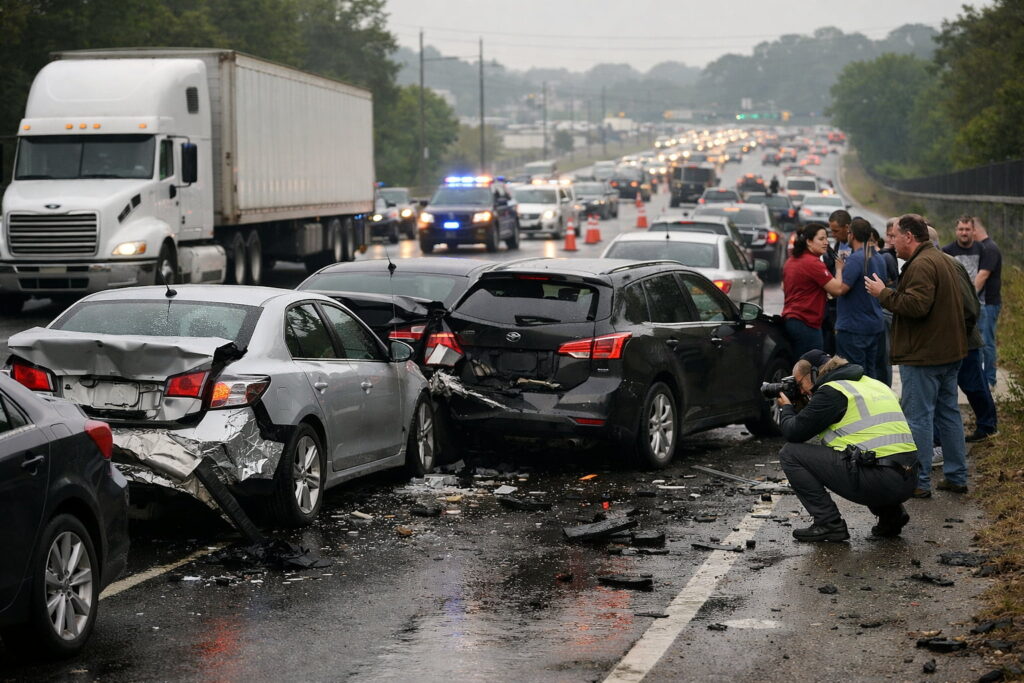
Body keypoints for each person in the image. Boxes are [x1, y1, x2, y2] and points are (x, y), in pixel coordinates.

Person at [864, 213, 969, 498]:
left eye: (895, 236)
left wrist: (883, 293)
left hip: (924, 356)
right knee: (948, 415)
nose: (891, 241)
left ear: (909, 237)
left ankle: (920, 482)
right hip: (948, 351)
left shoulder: (921, 264)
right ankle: (957, 476)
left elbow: (917, 306)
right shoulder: (941, 259)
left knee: (919, 418)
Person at [777, 350, 918, 542]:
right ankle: (891, 516)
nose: (801, 391)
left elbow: (794, 433)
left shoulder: (832, 392)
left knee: (790, 454)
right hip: (908, 478)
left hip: (880, 482)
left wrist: (786, 408)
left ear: (814, 373)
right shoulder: (873, 384)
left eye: (800, 383)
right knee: (863, 453)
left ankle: (828, 523)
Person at [834, 218, 887, 381]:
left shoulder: (856, 259)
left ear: (852, 235)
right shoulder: (878, 257)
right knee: (870, 374)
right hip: (874, 324)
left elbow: (841, 289)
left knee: (854, 375)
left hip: (854, 327)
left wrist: (839, 270)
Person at [781, 223, 844, 358]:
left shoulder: (791, 261)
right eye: (821, 239)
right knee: (812, 368)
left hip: (791, 320)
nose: (826, 243)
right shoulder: (813, 263)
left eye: (827, 238)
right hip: (806, 323)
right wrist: (839, 269)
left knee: (798, 368)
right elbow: (837, 290)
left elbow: (783, 286)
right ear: (809, 242)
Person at [972, 216, 1002, 389]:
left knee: (987, 342)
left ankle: (990, 379)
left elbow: (982, 276)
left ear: (975, 230)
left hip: (989, 303)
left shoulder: (990, 248)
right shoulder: (984, 248)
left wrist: (969, 298)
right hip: (985, 303)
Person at [821, 210, 852, 355]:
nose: (833, 235)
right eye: (831, 231)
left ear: (847, 227)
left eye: (836, 231)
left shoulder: (859, 248)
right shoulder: (838, 244)